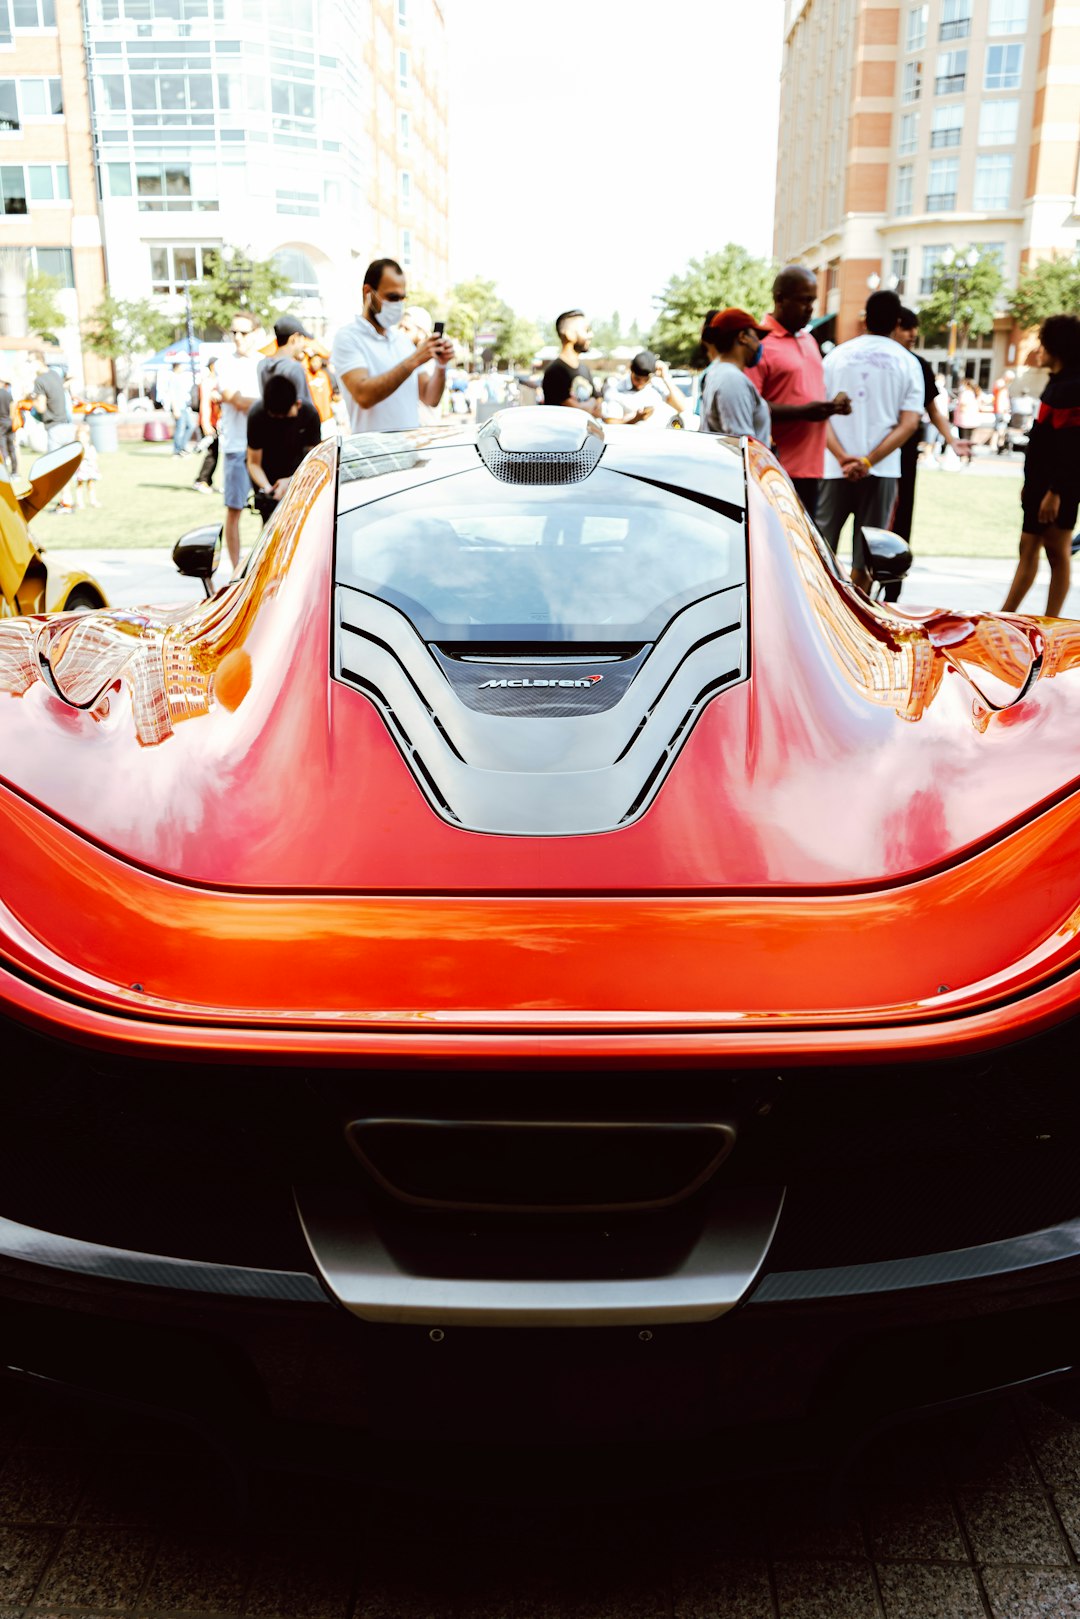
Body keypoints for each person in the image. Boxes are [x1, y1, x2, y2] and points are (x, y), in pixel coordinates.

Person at [819, 288, 923, 593]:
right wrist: (867, 461)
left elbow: (820, 415)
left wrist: (842, 458)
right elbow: (909, 424)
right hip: (881, 471)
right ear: (896, 321)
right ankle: (854, 622)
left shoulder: (836, 356)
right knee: (867, 559)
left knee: (823, 551)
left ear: (865, 318)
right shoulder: (907, 362)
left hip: (834, 466)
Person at [752, 265, 852, 519]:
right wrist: (803, 412)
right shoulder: (759, 343)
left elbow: (810, 401)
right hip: (776, 469)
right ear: (780, 299)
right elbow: (752, 408)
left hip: (813, 469)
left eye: (813, 301)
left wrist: (833, 406)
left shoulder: (808, 340)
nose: (810, 308)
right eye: (803, 300)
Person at [1001, 314, 1080, 619]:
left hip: (1058, 487)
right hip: (1041, 485)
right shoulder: (1056, 383)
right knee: (1029, 545)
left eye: (1043, 344)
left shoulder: (1073, 387)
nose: (1039, 351)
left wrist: (1055, 492)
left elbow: (1073, 449)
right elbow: (1044, 443)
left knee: (1057, 553)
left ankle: (1051, 621)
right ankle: (1007, 616)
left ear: (1056, 347)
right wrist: (1031, 483)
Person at [330, 257, 451, 434]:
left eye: (402, 298)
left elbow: (430, 397)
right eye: (392, 297)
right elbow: (364, 396)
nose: (398, 304)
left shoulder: (402, 340)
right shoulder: (348, 338)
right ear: (368, 292)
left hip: (410, 453)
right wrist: (415, 360)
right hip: (373, 456)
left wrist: (441, 365)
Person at [890, 306, 970, 545]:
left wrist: (952, 440)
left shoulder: (919, 365)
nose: (912, 333)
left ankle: (894, 581)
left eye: (915, 328)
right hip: (871, 453)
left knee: (901, 520)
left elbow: (933, 409)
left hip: (903, 455)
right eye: (906, 327)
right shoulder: (879, 362)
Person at [215, 310, 262, 575]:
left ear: (255, 334)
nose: (237, 338)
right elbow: (238, 401)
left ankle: (266, 566)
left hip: (264, 448)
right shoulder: (224, 364)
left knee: (271, 511)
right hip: (236, 446)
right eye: (233, 332)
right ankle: (235, 572)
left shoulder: (265, 363)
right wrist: (268, 404)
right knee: (234, 510)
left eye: (243, 332)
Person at [245, 371, 322, 525]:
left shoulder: (309, 414)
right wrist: (268, 489)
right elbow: (253, 463)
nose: (281, 421)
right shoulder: (257, 415)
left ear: (297, 404)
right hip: (267, 478)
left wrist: (292, 480)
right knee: (271, 527)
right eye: (275, 417)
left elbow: (315, 459)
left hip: (299, 475)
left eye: (285, 416)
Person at [698, 308, 772, 442]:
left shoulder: (717, 372)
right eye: (757, 336)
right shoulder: (731, 379)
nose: (759, 344)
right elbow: (742, 443)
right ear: (743, 337)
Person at [31, 352, 74, 510]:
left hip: (54, 427)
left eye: (30, 362)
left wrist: (31, 401)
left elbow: (41, 407)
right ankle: (68, 498)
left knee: (56, 468)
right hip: (67, 426)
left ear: (39, 362)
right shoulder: (56, 376)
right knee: (67, 465)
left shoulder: (39, 381)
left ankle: (66, 502)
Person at [602, 350, 689, 428]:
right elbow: (611, 425)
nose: (641, 383)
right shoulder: (616, 390)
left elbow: (681, 407)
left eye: (646, 380)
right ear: (631, 371)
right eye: (637, 379)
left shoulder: (657, 385)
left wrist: (666, 378)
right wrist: (636, 419)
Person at [541, 311, 600, 415]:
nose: (591, 335)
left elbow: (599, 407)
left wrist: (591, 405)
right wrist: (592, 403)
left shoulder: (584, 369)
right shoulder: (555, 371)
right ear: (569, 334)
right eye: (586, 330)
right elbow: (577, 412)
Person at [257, 316, 314, 406]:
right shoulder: (295, 368)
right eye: (303, 338)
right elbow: (306, 408)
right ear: (294, 338)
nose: (304, 344)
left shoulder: (262, 364)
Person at [193, 357, 220, 493]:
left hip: (215, 423)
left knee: (214, 453)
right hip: (208, 423)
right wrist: (206, 424)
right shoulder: (207, 382)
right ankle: (201, 481)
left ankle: (207, 481)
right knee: (211, 453)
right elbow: (204, 403)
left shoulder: (217, 381)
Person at [167, 362, 197, 456]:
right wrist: (175, 409)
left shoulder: (179, 378)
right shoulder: (173, 378)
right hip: (178, 408)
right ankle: (177, 450)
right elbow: (171, 394)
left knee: (190, 426)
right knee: (180, 429)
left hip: (183, 407)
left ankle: (182, 447)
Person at [73, 422, 101, 509]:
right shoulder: (77, 448)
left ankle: (93, 501)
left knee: (91, 485)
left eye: (83, 437)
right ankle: (79, 502)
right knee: (79, 485)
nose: (81, 439)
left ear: (87, 437)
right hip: (81, 470)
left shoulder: (90, 447)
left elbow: (95, 457)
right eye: (79, 437)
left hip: (89, 470)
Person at [0, 374, 16, 476]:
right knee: (12, 448)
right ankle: (14, 471)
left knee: (2, 448)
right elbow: (13, 410)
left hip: (1, 424)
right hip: (9, 422)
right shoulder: (8, 394)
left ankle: (5, 471)